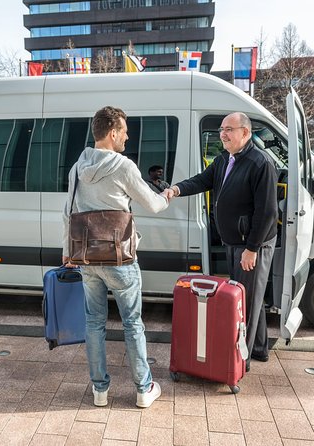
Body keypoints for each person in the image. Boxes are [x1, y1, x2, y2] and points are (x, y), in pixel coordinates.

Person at [62, 106, 169, 408]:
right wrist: (168, 195)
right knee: (132, 323)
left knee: (94, 323)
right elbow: (153, 204)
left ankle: (99, 390)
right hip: (119, 258)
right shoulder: (124, 166)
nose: (127, 135)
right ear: (112, 133)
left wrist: (67, 252)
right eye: (123, 130)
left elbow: (67, 213)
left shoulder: (77, 167)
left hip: (86, 258)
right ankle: (143, 389)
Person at [163, 112, 277, 372]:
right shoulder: (225, 158)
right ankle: (258, 348)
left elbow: (267, 212)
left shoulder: (260, 163)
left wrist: (252, 248)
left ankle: (240, 361)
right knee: (250, 297)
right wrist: (176, 189)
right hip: (233, 242)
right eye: (222, 129)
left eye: (229, 129)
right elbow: (203, 180)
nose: (223, 134)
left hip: (250, 245)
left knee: (244, 303)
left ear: (245, 133)